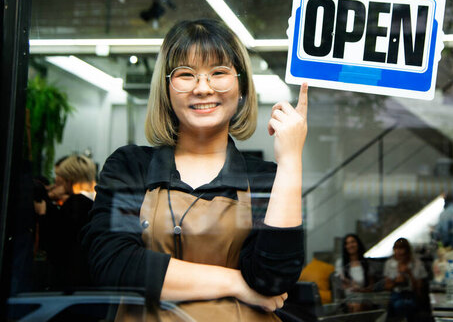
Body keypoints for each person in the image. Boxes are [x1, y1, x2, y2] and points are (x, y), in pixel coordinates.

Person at [81, 19, 309, 321]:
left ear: (240, 85)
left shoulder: (265, 178)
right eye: (186, 75)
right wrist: (237, 283)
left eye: (219, 72)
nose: (203, 88)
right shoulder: (131, 167)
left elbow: (273, 281)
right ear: (166, 88)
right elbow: (114, 264)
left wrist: (291, 160)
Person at [34, 154, 96, 289]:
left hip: (69, 280)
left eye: (63, 177)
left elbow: (56, 246)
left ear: (70, 178)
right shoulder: (93, 203)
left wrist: (43, 214)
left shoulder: (75, 205)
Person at [384, 238, 428, 322]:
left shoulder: (417, 264)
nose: (398, 252)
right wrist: (396, 282)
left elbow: (419, 290)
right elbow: (387, 286)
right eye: (396, 248)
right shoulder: (389, 263)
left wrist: (409, 273)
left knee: (405, 305)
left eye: (401, 248)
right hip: (396, 294)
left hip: (411, 295)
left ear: (407, 250)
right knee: (398, 304)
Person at [335, 234, 373, 312]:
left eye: (353, 242)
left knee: (357, 306)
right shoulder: (340, 264)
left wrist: (360, 290)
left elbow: (371, 287)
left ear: (358, 244)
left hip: (364, 297)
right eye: (347, 243)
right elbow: (340, 285)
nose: (350, 245)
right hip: (347, 299)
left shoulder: (366, 263)